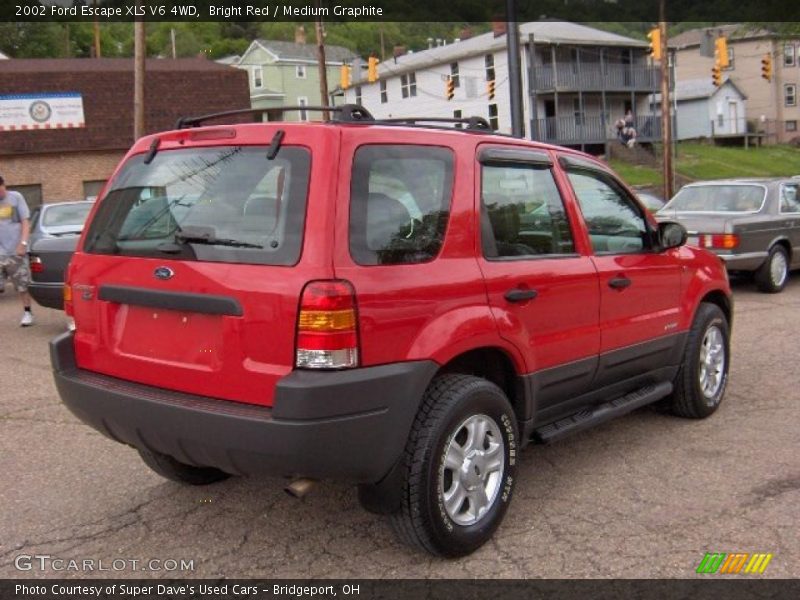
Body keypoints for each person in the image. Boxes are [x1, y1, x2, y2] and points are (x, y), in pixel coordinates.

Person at [0, 175, 34, 326]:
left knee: (22, 285)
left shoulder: (16, 198)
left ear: (4, 185)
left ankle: (27, 312)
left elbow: (25, 222)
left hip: (16, 251)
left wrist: (23, 243)